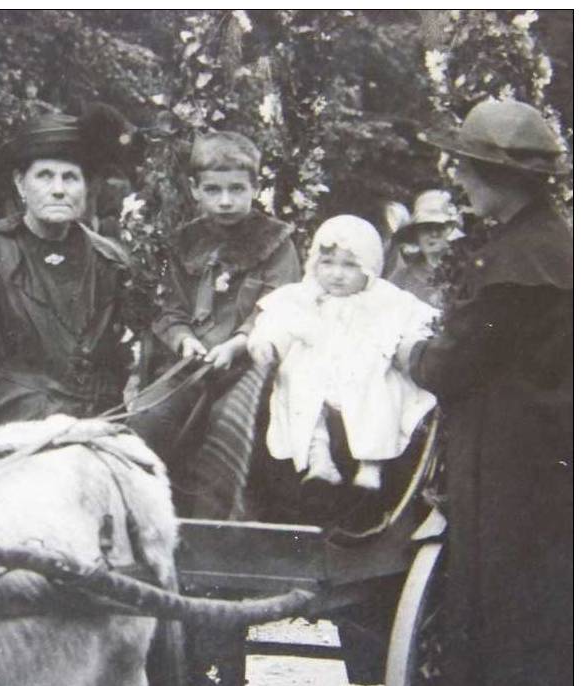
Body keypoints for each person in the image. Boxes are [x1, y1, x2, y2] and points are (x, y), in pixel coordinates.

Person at [396, 99, 572, 686]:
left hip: (510, 463)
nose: (461, 183)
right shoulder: (547, 245)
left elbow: (456, 364)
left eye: (467, 170)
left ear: (502, 179)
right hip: (544, 458)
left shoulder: (517, 266)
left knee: (502, 598)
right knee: (536, 597)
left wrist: (410, 354)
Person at [0, 107, 136, 439]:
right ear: (20, 183)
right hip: (12, 435)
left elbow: (118, 359)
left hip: (98, 434)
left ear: (87, 186)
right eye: (45, 176)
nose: (58, 189)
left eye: (71, 177)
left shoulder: (111, 261)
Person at [129, 131, 300, 469]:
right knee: (146, 419)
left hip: (251, 366)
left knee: (230, 424)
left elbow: (279, 308)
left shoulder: (277, 243)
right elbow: (169, 307)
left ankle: (227, 511)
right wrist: (184, 339)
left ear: (254, 187)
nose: (225, 201)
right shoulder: (183, 242)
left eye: (236, 189)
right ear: (195, 189)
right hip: (191, 365)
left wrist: (237, 344)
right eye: (213, 190)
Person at [248, 215, 437, 491]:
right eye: (327, 263)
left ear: (370, 268)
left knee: (379, 389)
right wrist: (266, 344)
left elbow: (417, 320)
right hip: (314, 367)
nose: (336, 274)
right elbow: (278, 322)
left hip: (364, 368)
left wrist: (409, 341)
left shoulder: (382, 297)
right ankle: (318, 458)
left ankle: (371, 465)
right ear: (314, 264)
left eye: (350, 265)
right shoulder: (303, 296)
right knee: (297, 386)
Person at [387, 189, 465, 306]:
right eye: (426, 227)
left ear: (451, 230)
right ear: (416, 233)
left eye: (440, 227)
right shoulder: (401, 278)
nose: (434, 234)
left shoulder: (468, 273)